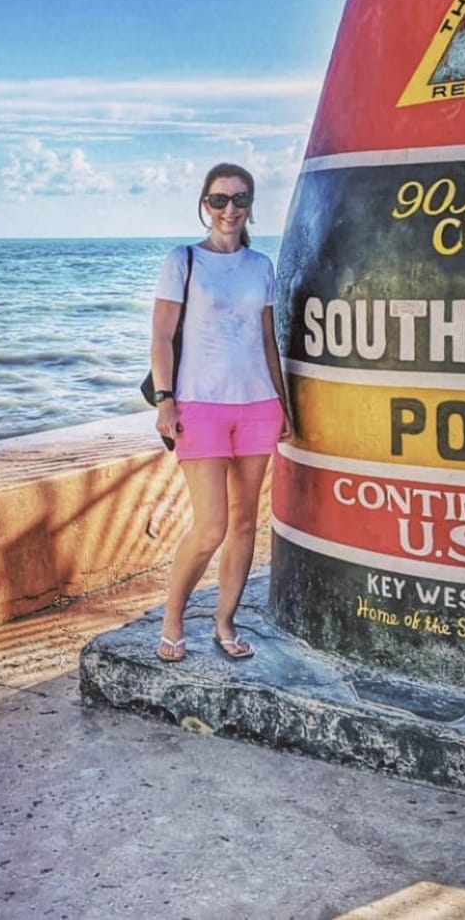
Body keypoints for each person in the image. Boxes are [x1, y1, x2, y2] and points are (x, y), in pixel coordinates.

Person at [149, 163, 292, 662]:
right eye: (219, 200)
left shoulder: (261, 266)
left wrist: (283, 403)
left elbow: (269, 342)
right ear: (204, 205)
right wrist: (165, 400)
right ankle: (172, 617)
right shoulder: (183, 260)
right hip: (201, 405)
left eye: (239, 199)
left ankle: (224, 622)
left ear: (250, 204)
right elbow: (162, 337)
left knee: (245, 524)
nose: (229, 209)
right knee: (210, 526)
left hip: (257, 405)